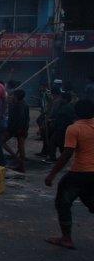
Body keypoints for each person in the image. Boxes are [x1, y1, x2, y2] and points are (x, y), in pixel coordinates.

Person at [44, 99, 94, 250]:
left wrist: (52, 174)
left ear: (76, 113)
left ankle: (66, 238)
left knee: (62, 202)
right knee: (90, 201)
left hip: (80, 172)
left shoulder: (74, 129)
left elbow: (66, 154)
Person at [2, 89, 30, 173]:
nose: (12, 96)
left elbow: (19, 119)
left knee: (2, 141)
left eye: (13, 95)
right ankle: (20, 165)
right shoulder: (22, 104)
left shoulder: (19, 105)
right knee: (21, 147)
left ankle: (18, 160)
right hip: (21, 129)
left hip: (17, 129)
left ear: (16, 96)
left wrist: (12, 129)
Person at [48, 91, 76, 162]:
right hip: (62, 128)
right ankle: (62, 158)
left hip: (62, 129)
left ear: (65, 99)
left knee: (54, 142)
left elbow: (62, 119)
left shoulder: (66, 108)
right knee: (59, 143)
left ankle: (55, 158)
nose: (60, 99)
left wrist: (55, 123)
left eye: (62, 98)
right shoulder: (66, 106)